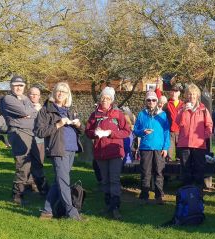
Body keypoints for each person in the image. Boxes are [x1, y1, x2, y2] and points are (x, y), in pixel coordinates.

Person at [35, 82, 85, 221]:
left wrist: (79, 124)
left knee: (60, 181)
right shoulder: (46, 110)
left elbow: (82, 131)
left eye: (64, 92)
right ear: (54, 92)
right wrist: (58, 124)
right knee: (64, 181)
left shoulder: (69, 110)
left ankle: (46, 211)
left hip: (71, 149)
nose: (61, 94)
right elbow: (39, 131)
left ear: (67, 95)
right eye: (58, 91)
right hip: (58, 149)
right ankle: (72, 213)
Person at [85, 87, 131, 219]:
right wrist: (95, 133)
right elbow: (88, 131)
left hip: (115, 151)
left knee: (114, 179)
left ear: (111, 100)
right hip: (100, 152)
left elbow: (127, 132)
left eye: (107, 98)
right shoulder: (94, 115)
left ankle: (115, 207)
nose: (105, 100)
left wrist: (111, 133)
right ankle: (107, 205)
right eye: (103, 98)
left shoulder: (118, 114)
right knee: (105, 180)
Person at [0, 75, 39, 204]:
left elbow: (32, 113)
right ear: (11, 86)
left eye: (21, 85)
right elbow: (24, 111)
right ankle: (17, 195)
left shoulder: (26, 98)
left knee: (32, 162)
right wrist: (28, 113)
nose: (18, 87)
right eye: (16, 85)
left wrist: (29, 113)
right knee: (22, 164)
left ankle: (28, 187)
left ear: (24, 87)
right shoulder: (8, 99)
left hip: (30, 132)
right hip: (18, 132)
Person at [134, 91, 170, 204]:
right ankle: (144, 195)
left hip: (159, 148)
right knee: (145, 172)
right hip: (145, 147)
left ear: (157, 101)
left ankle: (159, 195)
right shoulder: (141, 114)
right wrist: (142, 132)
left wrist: (165, 147)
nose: (151, 102)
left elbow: (166, 132)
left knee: (159, 172)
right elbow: (135, 130)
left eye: (154, 100)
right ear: (146, 101)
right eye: (149, 100)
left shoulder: (162, 114)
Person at [176, 83, 213, 188]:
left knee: (199, 168)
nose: (191, 96)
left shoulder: (203, 110)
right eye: (189, 94)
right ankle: (187, 191)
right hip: (184, 144)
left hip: (199, 144)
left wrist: (204, 136)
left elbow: (209, 125)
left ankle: (198, 191)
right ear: (186, 96)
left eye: (193, 94)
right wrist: (183, 111)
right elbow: (177, 122)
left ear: (197, 95)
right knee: (185, 168)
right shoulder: (182, 108)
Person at [28, 86, 49, 195]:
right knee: (26, 164)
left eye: (36, 94)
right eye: (32, 93)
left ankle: (41, 187)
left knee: (38, 163)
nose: (34, 96)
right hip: (26, 139)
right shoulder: (23, 106)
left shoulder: (43, 109)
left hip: (39, 140)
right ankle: (30, 185)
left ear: (39, 96)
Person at [165, 84, 184, 161]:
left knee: (180, 155)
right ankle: (167, 171)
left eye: (176, 91)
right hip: (169, 132)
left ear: (179, 93)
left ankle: (179, 172)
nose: (174, 93)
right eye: (172, 91)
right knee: (169, 154)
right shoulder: (166, 104)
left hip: (181, 132)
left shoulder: (183, 105)